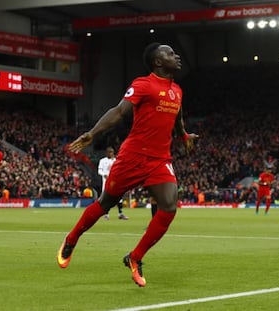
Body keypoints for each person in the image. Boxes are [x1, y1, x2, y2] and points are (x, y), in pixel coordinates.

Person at [57, 42, 198, 287]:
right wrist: (93, 133)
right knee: (105, 204)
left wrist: (184, 135)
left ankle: (135, 257)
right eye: (170, 53)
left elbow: (178, 116)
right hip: (133, 157)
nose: (176, 56)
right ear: (157, 62)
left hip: (160, 160)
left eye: (176, 53)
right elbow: (119, 111)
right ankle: (72, 238)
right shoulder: (143, 84)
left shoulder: (177, 90)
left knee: (169, 205)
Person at [98, 146, 128, 220]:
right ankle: (106, 215)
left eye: (112, 152)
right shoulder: (102, 161)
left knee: (119, 197)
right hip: (106, 182)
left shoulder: (116, 161)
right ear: (106, 153)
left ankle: (120, 214)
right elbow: (99, 171)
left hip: (115, 182)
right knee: (105, 198)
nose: (111, 153)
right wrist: (103, 174)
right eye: (109, 152)